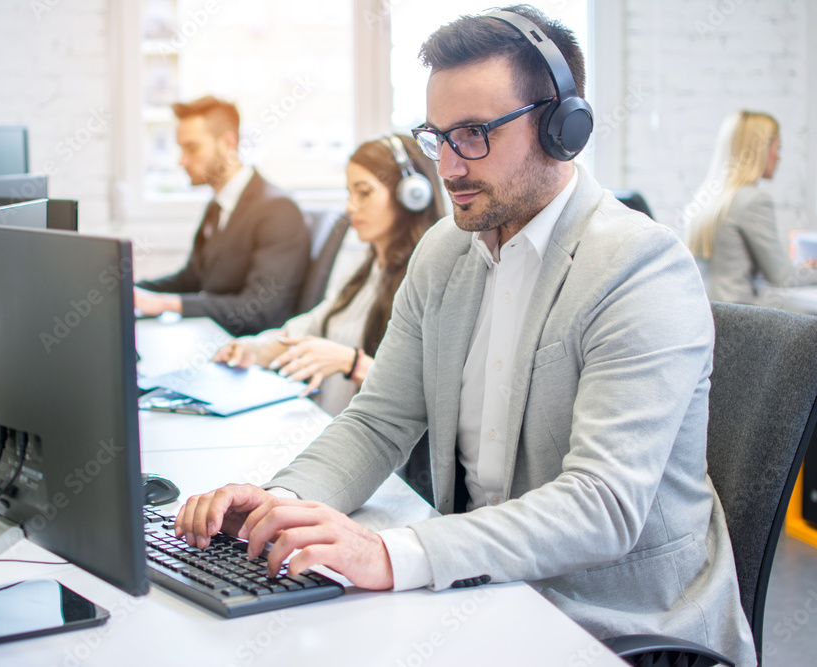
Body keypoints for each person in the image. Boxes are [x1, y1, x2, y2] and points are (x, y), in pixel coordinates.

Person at [174, 7, 755, 665]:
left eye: (474, 134)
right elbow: (378, 421)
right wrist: (283, 503)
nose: (448, 168)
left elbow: (602, 506)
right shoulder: (444, 252)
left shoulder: (639, 268)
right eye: (438, 136)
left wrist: (390, 552)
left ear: (563, 128)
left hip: (616, 623)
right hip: (485, 588)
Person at [213, 135, 445, 416]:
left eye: (364, 193)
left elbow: (424, 400)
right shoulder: (365, 273)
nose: (350, 207)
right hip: (327, 426)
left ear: (411, 196)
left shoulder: (429, 283)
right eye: (349, 194)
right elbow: (309, 329)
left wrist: (352, 363)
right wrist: (254, 349)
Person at [134, 96, 310, 335]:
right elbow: (192, 278)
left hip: (246, 347)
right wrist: (131, 291)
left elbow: (259, 310)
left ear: (228, 143)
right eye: (181, 149)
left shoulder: (277, 210)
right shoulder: (217, 206)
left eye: (192, 148)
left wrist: (165, 304)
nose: (182, 161)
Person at [685, 110, 817, 303]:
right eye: (777, 148)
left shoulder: (707, 198)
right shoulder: (753, 200)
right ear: (760, 150)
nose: (778, 157)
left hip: (709, 312)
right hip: (739, 315)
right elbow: (782, 277)